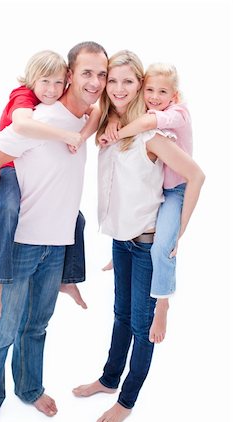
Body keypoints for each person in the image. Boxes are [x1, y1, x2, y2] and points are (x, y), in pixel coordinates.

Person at [0, 41, 108, 422]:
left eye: (101, 74)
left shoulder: (86, 119)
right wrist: (10, 200)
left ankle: (29, 388)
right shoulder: (39, 118)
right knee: (4, 330)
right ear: (70, 75)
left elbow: (99, 111)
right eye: (87, 73)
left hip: (56, 245)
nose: (95, 82)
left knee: (37, 326)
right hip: (22, 246)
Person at [72, 50, 205, 422]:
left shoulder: (152, 134)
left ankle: (127, 400)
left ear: (141, 86)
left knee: (141, 325)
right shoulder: (109, 128)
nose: (117, 88)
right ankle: (109, 379)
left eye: (127, 81)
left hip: (147, 244)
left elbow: (196, 175)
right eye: (111, 80)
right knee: (120, 316)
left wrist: (178, 230)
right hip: (122, 241)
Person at [0, 50, 102, 320]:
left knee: (76, 218)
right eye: (45, 82)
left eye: (58, 83)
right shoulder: (24, 98)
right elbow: (24, 125)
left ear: (67, 81)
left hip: (24, 168)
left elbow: (95, 112)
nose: (52, 90)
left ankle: (67, 277)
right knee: (7, 211)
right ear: (32, 79)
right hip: (9, 168)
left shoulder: (56, 105)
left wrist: (82, 137)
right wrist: (66, 136)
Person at [101, 62, 192, 343]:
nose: (154, 96)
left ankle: (163, 302)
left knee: (164, 245)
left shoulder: (176, 114)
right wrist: (115, 122)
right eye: (150, 89)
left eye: (162, 91)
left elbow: (147, 124)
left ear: (174, 95)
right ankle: (125, 248)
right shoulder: (149, 111)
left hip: (177, 189)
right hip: (161, 191)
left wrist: (181, 229)